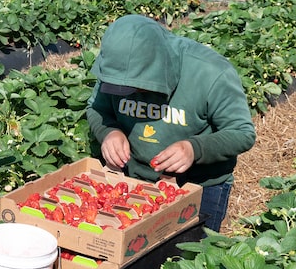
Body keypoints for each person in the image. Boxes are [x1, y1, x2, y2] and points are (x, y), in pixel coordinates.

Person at [86, 14, 257, 232]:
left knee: (192, 257)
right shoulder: (116, 67)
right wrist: (108, 131)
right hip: (132, 180)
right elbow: (97, 108)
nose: (132, 91)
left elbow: (242, 133)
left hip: (198, 186)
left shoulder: (211, 73)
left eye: (138, 85)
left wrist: (194, 149)